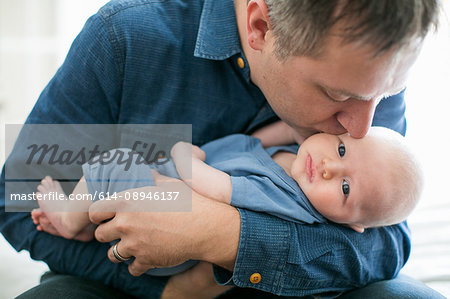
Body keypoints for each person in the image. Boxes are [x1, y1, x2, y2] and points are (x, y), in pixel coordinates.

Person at [0, 0, 444, 298]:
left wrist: (224, 237)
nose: (362, 128)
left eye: (386, 97)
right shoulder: (125, 39)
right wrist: (170, 290)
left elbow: (386, 238)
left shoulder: (366, 79)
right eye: (338, 95)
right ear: (260, 27)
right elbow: (18, 205)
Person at [31, 126, 422, 248]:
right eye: (340, 148)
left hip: (172, 210)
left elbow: (215, 188)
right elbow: (261, 139)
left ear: (356, 227)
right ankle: (86, 229)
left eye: (347, 189)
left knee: (115, 161)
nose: (328, 168)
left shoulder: (286, 199)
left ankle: (69, 219)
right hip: (166, 199)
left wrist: (187, 155)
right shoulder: (298, 163)